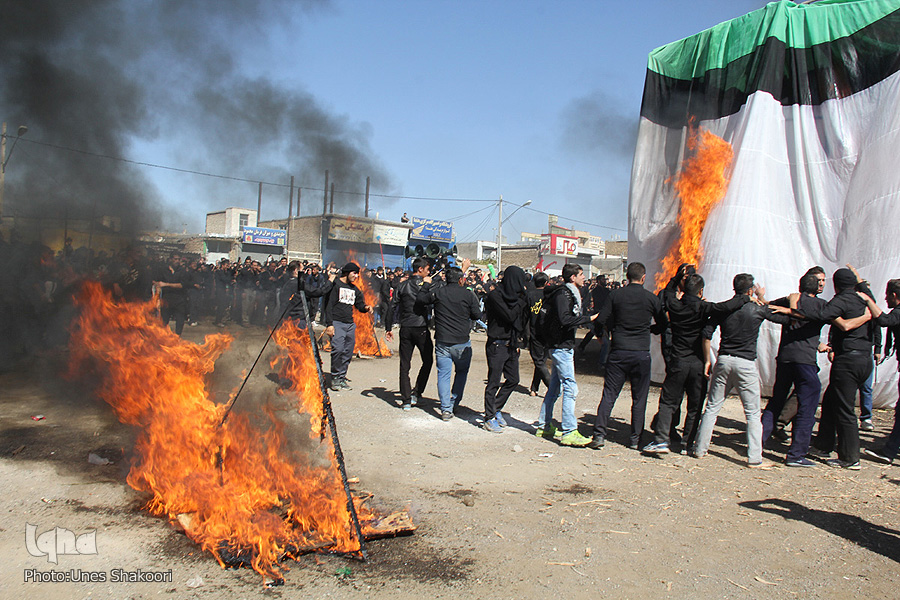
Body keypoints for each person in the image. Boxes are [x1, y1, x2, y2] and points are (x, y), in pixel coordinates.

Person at [643, 267, 751, 455]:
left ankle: (661, 440)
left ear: (683, 290)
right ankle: (688, 443)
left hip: (677, 360)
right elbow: (726, 307)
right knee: (695, 404)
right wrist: (744, 297)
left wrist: (676, 278)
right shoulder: (704, 308)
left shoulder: (674, 305)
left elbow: (668, 293)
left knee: (668, 401)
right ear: (701, 292)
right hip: (698, 363)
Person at [777, 267, 876, 470]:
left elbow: (821, 315)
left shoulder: (839, 301)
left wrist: (790, 309)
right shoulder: (864, 298)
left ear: (836, 285)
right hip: (864, 360)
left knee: (845, 410)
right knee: (831, 401)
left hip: (848, 361)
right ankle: (823, 445)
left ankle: (850, 458)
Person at [692, 274, 790, 467]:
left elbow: (707, 333)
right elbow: (783, 320)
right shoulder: (756, 309)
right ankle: (755, 457)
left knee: (712, 407)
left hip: (724, 359)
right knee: (752, 413)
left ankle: (699, 449)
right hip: (745, 362)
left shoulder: (724, 308)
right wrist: (762, 299)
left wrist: (706, 360)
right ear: (750, 290)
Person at [589, 262, 667, 450]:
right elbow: (664, 323)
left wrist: (601, 335)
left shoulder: (615, 295)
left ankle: (599, 435)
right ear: (643, 277)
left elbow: (600, 318)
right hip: (641, 353)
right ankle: (635, 439)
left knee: (609, 394)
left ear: (627, 276)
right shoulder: (650, 298)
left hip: (619, 351)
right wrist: (651, 329)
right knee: (639, 398)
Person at [759, 273, 832, 466]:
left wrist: (761, 297)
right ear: (817, 286)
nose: (823, 284)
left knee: (776, 401)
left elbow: (769, 309)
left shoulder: (791, 300)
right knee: (807, 407)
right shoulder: (822, 305)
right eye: (821, 281)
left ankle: (758, 442)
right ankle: (796, 454)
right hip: (805, 361)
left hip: (785, 358)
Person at [535, 263, 600, 447]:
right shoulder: (564, 294)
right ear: (572, 277)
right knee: (571, 388)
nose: (583, 278)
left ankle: (544, 425)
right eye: (580, 274)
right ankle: (570, 431)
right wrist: (588, 319)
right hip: (561, 346)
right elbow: (564, 319)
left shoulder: (568, 293)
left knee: (555, 387)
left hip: (561, 346)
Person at [417, 259, 480, 421]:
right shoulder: (468, 294)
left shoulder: (439, 292)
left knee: (443, 375)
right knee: (461, 373)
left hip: (443, 341)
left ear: (445, 278)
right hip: (462, 342)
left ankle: (445, 409)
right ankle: (454, 403)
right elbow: (477, 315)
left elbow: (421, 299)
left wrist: (425, 284)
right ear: (461, 280)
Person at [482, 265, 528, 433]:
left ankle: (495, 408)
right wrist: (521, 301)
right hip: (497, 344)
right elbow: (509, 316)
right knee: (493, 382)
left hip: (511, 344)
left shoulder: (518, 298)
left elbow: (521, 320)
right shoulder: (495, 295)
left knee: (513, 379)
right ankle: (488, 417)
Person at [858, 279, 900, 464]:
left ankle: (889, 452)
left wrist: (868, 300)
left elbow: (883, 320)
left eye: (887, 294)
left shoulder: (898, 312)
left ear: (894, 295)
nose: (885, 298)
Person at [385, 257, 435, 410]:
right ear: (420, 269)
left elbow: (392, 306)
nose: (429, 272)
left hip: (405, 327)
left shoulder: (402, 285)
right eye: (427, 269)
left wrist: (388, 327)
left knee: (405, 364)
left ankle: (406, 399)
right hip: (420, 328)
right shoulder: (426, 285)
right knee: (427, 361)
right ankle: (416, 393)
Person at [324, 263, 371, 391]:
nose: (356, 276)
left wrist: (366, 308)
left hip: (350, 324)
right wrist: (329, 324)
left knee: (347, 352)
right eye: (354, 273)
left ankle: (342, 377)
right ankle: (335, 377)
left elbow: (359, 305)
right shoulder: (335, 285)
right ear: (348, 272)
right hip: (336, 322)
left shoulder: (354, 289)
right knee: (338, 350)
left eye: (357, 274)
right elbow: (327, 305)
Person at [280, 260, 335, 329]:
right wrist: (330, 281)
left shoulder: (286, 284)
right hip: (298, 320)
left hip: (287, 319)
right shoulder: (298, 284)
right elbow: (318, 292)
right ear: (296, 270)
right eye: (302, 270)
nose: (304, 272)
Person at [527, 272, 552, 396]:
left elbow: (525, 315)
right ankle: (534, 388)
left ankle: (551, 384)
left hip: (535, 331)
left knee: (539, 361)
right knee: (541, 360)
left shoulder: (529, 295)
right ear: (546, 283)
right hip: (547, 331)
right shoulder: (549, 295)